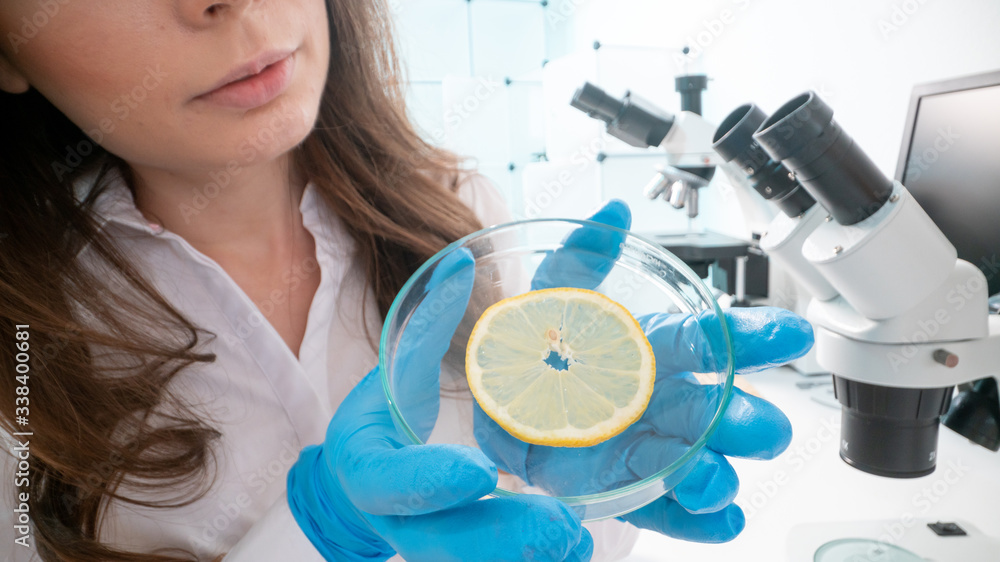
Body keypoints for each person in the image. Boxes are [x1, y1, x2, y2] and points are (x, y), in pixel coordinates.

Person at [0, 1, 813, 561]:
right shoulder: (21, 346)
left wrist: (587, 499)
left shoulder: (461, 217)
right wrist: (317, 528)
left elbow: (547, 531)